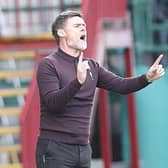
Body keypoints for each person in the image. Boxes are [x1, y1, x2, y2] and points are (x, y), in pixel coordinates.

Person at [35, 10, 165, 168]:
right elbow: (53, 104)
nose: (83, 29)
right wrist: (78, 82)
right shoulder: (48, 64)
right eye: (77, 26)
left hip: (83, 150)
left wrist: (147, 78)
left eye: (84, 26)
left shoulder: (92, 66)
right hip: (55, 149)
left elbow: (122, 86)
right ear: (61, 32)